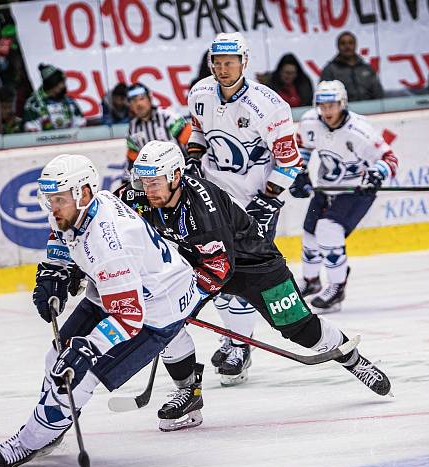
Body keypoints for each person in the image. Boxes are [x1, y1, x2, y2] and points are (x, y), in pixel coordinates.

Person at [0, 154, 204, 467]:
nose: (52, 208)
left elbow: (128, 317)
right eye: (49, 199)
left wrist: (88, 348)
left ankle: (31, 439)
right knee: (55, 359)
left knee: (75, 377)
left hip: (156, 309)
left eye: (58, 199)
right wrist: (54, 270)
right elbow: (61, 234)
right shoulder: (77, 207)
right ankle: (55, 424)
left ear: (83, 193)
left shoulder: (110, 245)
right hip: (118, 290)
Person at [120, 140, 391, 398]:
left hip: (257, 267)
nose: (148, 189)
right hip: (204, 262)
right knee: (163, 320)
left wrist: (185, 302)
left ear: (175, 176)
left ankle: (353, 360)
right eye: (144, 182)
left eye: (154, 182)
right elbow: (104, 212)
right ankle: (189, 393)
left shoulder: (203, 210)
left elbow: (220, 268)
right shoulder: (144, 195)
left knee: (303, 331)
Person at [187, 32, 302, 378]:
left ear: (244, 62)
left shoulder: (270, 105)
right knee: (214, 274)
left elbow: (289, 162)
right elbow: (198, 134)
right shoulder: (199, 93)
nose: (223, 69)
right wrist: (193, 161)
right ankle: (239, 340)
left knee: (247, 276)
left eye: (230, 62)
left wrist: (267, 200)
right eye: (218, 63)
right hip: (211, 200)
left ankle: (239, 343)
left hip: (253, 204)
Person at [292, 80, 398, 313]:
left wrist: (376, 175)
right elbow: (304, 149)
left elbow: (390, 160)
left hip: (356, 190)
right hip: (326, 187)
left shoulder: (360, 130)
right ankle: (311, 282)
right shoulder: (310, 121)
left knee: (328, 230)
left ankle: (337, 288)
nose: (327, 111)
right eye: (323, 105)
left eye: (332, 105)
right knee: (310, 234)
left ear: (343, 103)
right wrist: (299, 173)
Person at [125, 82, 190, 176]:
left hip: (181, 173)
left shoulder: (169, 117)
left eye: (141, 98)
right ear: (130, 105)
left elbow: (192, 145)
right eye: (133, 101)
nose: (138, 104)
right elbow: (132, 160)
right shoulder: (132, 128)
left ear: (150, 99)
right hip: (154, 180)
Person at [320, 31, 383, 102]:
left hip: (372, 110)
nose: (347, 46)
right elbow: (325, 98)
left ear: (355, 45)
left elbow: (378, 94)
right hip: (343, 112)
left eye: (350, 43)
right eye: (343, 43)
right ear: (337, 46)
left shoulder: (367, 68)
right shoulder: (330, 70)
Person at [23, 63, 86, 131]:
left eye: (64, 82)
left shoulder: (69, 101)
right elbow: (32, 129)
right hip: (44, 140)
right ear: (52, 85)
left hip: (72, 139)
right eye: (61, 83)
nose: (64, 86)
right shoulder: (33, 104)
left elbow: (80, 123)